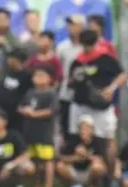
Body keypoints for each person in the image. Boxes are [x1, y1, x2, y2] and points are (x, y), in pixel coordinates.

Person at [69, 29, 125, 183]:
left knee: (107, 140)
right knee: (79, 139)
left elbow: (122, 75)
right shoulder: (77, 61)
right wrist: (75, 79)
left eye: (89, 45)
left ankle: (112, 176)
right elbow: (70, 82)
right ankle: (85, 178)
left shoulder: (106, 59)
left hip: (102, 107)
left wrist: (111, 88)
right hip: (81, 104)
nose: (87, 48)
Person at [19, 66, 57, 187]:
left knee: (47, 160)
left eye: (42, 76)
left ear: (49, 79)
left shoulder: (51, 93)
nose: (38, 78)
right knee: (34, 160)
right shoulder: (30, 93)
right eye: (36, 76)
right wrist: (25, 110)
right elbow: (21, 106)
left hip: (45, 132)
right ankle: (36, 186)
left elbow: (51, 111)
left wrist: (35, 114)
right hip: (30, 132)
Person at [56, 115, 107, 187]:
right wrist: (75, 158)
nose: (83, 131)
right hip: (75, 170)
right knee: (60, 166)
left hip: (89, 172)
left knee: (97, 167)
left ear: (92, 130)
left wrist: (85, 155)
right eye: (81, 128)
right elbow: (61, 157)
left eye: (86, 128)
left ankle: (91, 186)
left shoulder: (97, 141)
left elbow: (101, 160)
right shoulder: (73, 140)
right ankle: (73, 186)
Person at [56, 15, 83, 143]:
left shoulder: (86, 46)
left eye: (74, 25)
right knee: (66, 127)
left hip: (83, 95)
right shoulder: (62, 47)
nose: (70, 28)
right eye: (69, 25)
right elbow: (58, 71)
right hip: (65, 94)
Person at [0, 48, 32, 132]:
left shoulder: (27, 76)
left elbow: (27, 95)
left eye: (11, 58)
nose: (9, 61)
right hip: (3, 111)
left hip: (17, 115)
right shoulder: (6, 73)